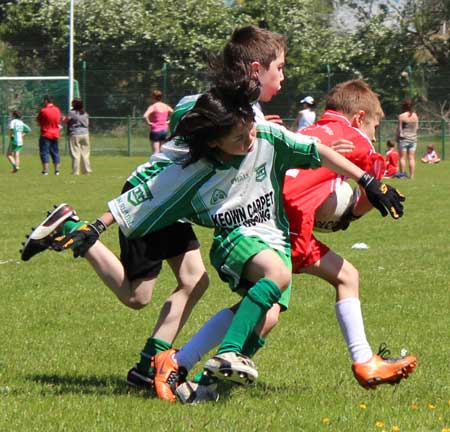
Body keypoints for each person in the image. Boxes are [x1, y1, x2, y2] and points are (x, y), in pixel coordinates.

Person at [21, 79, 405, 404]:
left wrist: (367, 181)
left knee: (263, 313)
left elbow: (312, 150)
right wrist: (95, 228)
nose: (249, 139)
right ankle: (225, 355)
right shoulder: (192, 173)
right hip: (235, 239)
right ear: (215, 141)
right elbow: (138, 199)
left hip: (271, 236)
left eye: (250, 130)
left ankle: (187, 377)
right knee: (154, 292)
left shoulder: (265, 135)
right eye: (239, 137)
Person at [21, 25, 288, 397]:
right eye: (280, 67)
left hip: (175, 204)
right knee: (137, 296)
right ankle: (74, 228)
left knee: (195, 281)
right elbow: (185, 116)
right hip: (151, 198)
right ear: (256, 70)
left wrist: (257, 130)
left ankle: (149, 366)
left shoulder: (245, 110)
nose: (283, 76)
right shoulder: (218, 103)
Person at [151, 80, 415, 404]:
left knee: (293, 299)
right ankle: (189, 369)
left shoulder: (312, 130)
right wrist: (365, 200)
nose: (373, 135)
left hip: (270, 218)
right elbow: (354, 206)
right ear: (360, 118)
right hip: (284, 228)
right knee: (278, 307)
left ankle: (186, 368)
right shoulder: (357, 140)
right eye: (374, 126)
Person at [63, 98, 92, 175]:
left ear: (74, 104)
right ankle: (86, 171)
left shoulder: (72, 113)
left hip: (75, 134)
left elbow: (66, 121)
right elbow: (87, 123)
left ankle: (76, 171)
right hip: (85, 134)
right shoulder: (85, 113)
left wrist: (63, 118)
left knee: (75, 153)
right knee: (85, 154)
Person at [36, 95, 62, 176]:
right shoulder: (57, 110)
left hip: (46, 133)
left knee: (44, 152)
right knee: (55, 152)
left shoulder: (43, 110)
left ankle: (45, 171)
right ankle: (57, 171)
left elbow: (38, 120)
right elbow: (58, 120)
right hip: (55, 134)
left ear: (46, 101)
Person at [143, 90, 173, 154]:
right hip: (164, 131)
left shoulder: (153, 106)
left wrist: (149, 123)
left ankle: (155, 163)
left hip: (155, 131)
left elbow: (145, 116)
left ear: (153, 97)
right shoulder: (165, 106)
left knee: (156, 152)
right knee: (163, 152)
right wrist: (169, 121)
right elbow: (174, 113)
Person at [397, 98, 419, 179]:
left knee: (402, 158)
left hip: (403, 139)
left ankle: (402, 175)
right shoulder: (415, 116)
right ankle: (412, 176)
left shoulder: (401, 116)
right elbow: (417, 128)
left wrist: (397, 137)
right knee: (411, 158)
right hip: (413, 139)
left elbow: (399, 129)